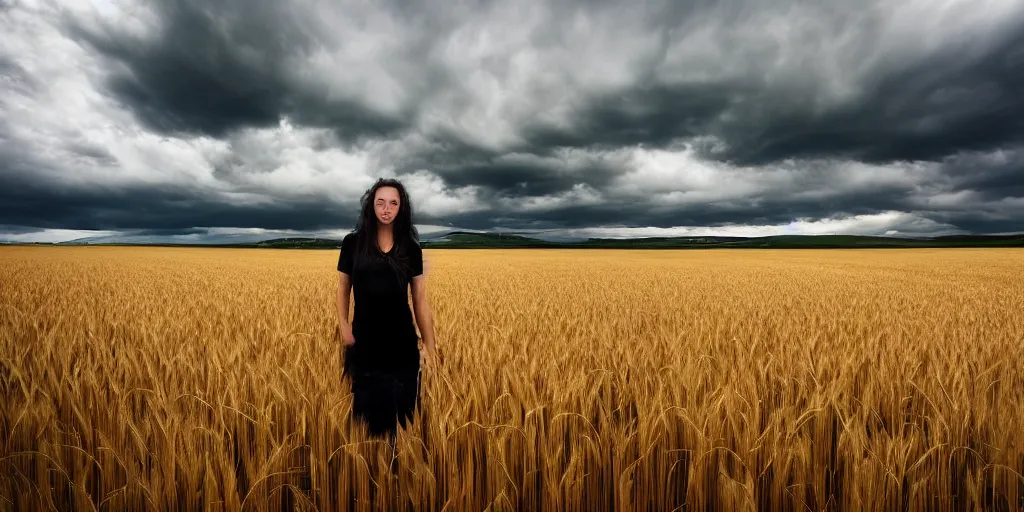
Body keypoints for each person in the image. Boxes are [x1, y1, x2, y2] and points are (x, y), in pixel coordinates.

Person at [336, 178, 440, 454]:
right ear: (371, 206)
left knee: (402, 422)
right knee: (366, 424)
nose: (386, 208)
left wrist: (429, 346)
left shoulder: (411, 248)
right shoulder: (352, 243)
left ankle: (398, 478)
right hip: (365, 344)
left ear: (401, 208)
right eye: (380, 202)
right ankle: (367, 479)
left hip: (402, 345)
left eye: (393, 203)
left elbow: (420, 301)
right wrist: (343, 324)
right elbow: (343, 288)